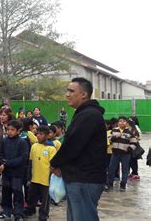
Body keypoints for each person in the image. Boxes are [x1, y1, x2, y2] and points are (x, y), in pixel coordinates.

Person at [50, 77, 107, 221]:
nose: (67, 94)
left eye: (71, 91)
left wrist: (54, 163)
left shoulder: (89, 115)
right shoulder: (84, 113)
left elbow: (72, 145)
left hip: (85, 179)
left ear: (84, 94)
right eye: (67, 91)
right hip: (80, 177)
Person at [0, 120, 28, 220]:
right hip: (6, 172)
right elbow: (0, 154)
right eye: (8, 129)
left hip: (17, 173)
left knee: (17, 192)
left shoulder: (22, 142)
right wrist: (2, 164)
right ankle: (6, 211)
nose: (9, 132)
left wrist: (6, 163)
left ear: (18, 131)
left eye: (12, 130)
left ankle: (18, 214)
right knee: (6, 192)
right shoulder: (4, 141)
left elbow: (23, 158)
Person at [24, 125, 57, 221]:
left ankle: (43, 215)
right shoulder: (34, 146)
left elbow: (53, 164)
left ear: (47, 136)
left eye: (41, 134)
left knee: (45, 200)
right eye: (37, 133)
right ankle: (30, 210)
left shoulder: (51, 149)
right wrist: (29, 176)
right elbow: (30, 162)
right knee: (31, 196)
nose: (38, 136)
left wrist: (50, 176)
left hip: (45, 179)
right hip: (35, 178)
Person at [107, 117, 138, 191]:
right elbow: (110, 140)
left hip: (125, 154)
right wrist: (115, 137)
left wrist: (129, 149)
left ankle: (123, 185)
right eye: (120, 121)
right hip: (115, 153)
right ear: (118, 122)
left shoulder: (130, 132)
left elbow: (134, 143)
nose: (122, 123)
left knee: (125, 169)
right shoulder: (114, 130)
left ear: (126, 123)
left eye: (124, 121)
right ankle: (110, 183)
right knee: (111, 168)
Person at [0, 106, 14, 202]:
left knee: (8, 175)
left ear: (9, 116)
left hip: (10, 153)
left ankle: (9, 193)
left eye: (4, 115)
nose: (2, 117)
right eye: (1, 115)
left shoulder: (12, 125)